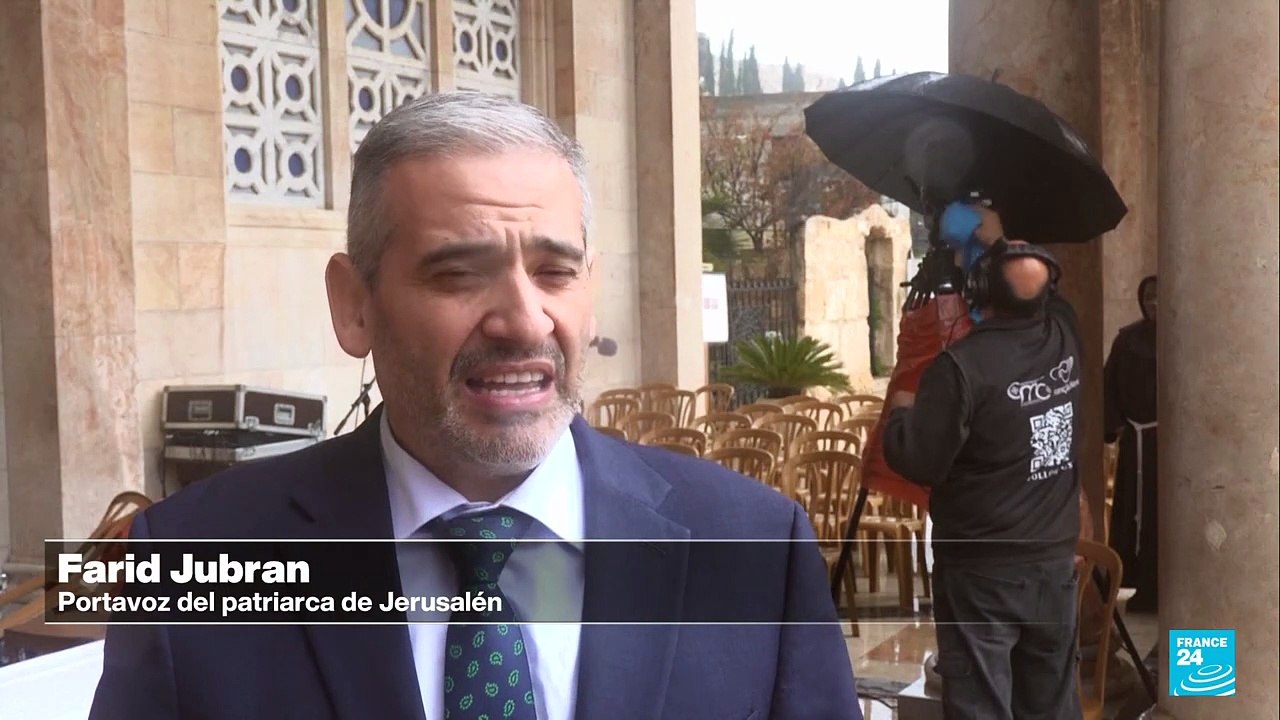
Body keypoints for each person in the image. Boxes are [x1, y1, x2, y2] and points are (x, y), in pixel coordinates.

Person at [89, 93, 861, 720]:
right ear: (355, 306)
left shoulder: (755, 546)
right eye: (459, 274)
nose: (524, 321)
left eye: (555, 272)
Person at [881, 202, 1087, 720]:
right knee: (1053, 705)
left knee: (981, 707)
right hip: (1051, 564)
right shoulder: (1063, 336)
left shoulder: (960, 370)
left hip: (983, 573)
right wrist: (999, 242)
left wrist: (900, 414)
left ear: (977, 295)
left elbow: (920, 461)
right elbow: (1042, 293)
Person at [1103, 275, 1158, 611]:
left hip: (1167, 446)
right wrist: (1115, 425)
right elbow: (1109, 386)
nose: (1154, 303)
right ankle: (1140, 583)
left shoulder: (1186, 338)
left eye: (1160, 296)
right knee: (1135, 516)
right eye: (1149, 296)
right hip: (1137, 443)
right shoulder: (1127, 340)